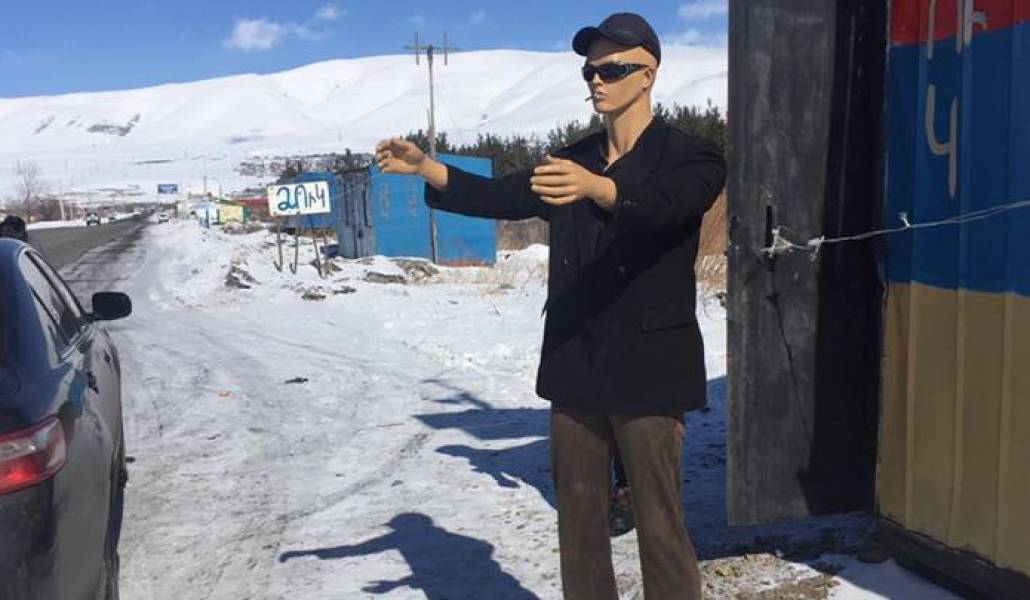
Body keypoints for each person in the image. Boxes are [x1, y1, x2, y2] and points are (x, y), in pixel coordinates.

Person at [376, 12, 725, 599]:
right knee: (579, 522)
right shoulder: (571, 159)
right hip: (575, 363)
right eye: (590, 71)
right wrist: (427, 169)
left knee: (659, 523)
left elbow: (668, 207)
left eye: (612, 69)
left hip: (649, 367)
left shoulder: (693, 156)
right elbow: (499, 195)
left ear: (648, 74)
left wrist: (602, 189)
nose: (597, 80)